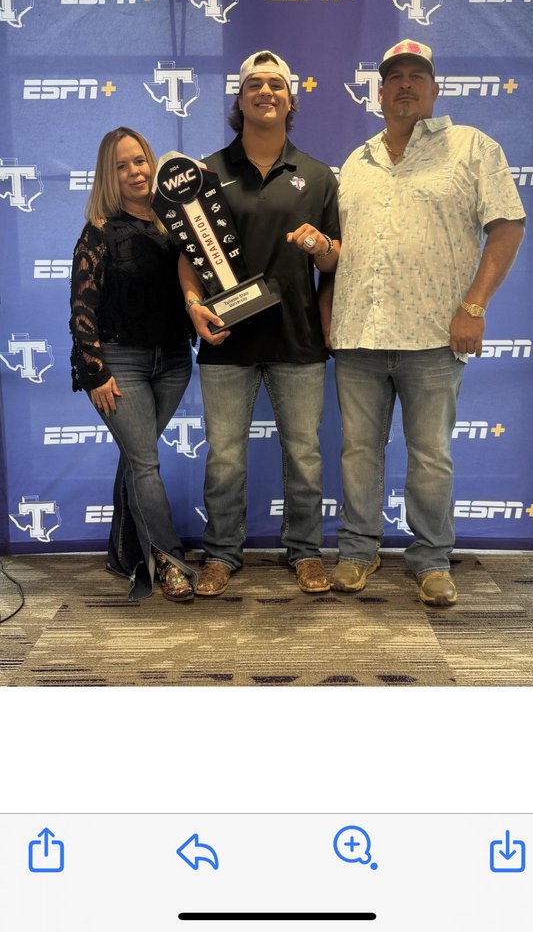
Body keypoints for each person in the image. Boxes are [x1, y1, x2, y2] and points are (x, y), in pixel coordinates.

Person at [329, 39, 526, 605]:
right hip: (359, 337)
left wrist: (473, 307)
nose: (406, 85)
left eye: (418, 76)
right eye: (395, 78)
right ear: (381, 91)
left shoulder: (471, 148)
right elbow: (348, 250)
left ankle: (432, 560)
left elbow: (508, 226)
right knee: (358, 452)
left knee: (431, 456)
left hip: (435, 338)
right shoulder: (356, 162)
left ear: (435, 90)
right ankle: (358, 551)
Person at [178, 50, 340, 595]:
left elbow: (335, 259)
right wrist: (192, 303)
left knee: (304, 455)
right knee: (224, 457)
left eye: (276, 85)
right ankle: (222, 554)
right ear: (240, 99)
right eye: (255, 85)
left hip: (299, 340)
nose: (266, 92)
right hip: (227, 340)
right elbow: (188, 254)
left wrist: (321, 246)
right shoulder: (206, 173)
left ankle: (305, 552)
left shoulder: (318, 176)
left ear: (290, 100)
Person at [70, 127, 196, 602]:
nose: (134, 172)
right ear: (110, 175)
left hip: (174, 360)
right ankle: (170, 561)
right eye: (121, 166)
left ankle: (123, 552)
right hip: (119, 361)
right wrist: (95, 369)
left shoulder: (175, 223)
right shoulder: (100, 229)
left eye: (139, 160)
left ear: (153, 163)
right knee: (145, 464)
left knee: (135, 457)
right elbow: (81, 305)